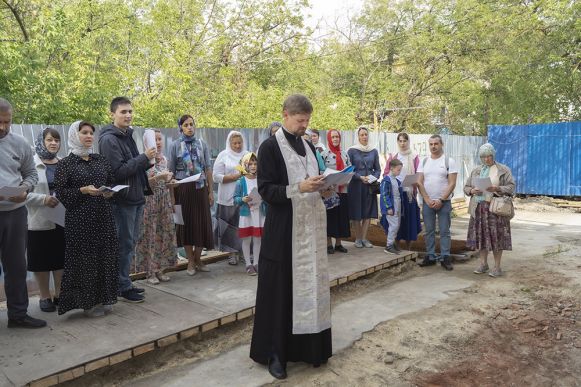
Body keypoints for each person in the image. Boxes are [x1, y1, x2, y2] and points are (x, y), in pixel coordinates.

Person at [250, 94, 331, 379]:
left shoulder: (309, 146)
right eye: (300, 121)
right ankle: (276, 354)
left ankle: (310, 349)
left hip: (310, 229)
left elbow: (314, 180)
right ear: (286, 115)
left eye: (307, 121)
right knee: (281, 291)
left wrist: (324, 186)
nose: (304, 126)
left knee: (310, 288)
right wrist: (300, 187)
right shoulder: (270, 147)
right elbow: (267, 191)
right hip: (284, 230)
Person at [55, 121, 119, 317]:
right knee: (85, 260)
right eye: (84, 132)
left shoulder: (100, 159)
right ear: (75, 135)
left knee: (104, 257)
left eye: (91, 132)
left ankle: (105, 298)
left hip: (103, 217)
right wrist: (83, 190)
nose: (89, 136)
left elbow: (111, 182)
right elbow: (61, 193)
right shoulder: (65, 163)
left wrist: (109, 193)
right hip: (80, 220)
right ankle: (87, 303)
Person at [99, 96, 155, 303]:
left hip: (136, 197)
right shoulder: (108, 139)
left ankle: (124, 282)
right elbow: (117, 172)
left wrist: (150, 161)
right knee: (123, 244)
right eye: (123, 112)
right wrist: (143, 158)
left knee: (129, 243)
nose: (128, 115)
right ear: (112, 114)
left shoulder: (126, 135)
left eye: (130, 111)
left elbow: (133, 167)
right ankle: (120, 286)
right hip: (122, 200)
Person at [0, 98, 45, 328]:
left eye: (7, 122)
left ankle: (18, 315)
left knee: (16, 267)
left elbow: (31, 174)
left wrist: (25, 188)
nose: (3, 127)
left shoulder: (20, 143)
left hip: (16, 213)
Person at [25, 128, 65, 312]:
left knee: (60, 258)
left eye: (57, 140)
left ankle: (59, 293)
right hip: (38, 220)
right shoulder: (30, 165)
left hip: (62, 219)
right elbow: (20, 194)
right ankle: (44, 296)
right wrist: (43, 199)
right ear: (41, 141)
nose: (54, 143)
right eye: (49, 139)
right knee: (40, 260)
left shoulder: (64, 163)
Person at [168, 114, 214, 276]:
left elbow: (208, 168)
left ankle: (198, 259)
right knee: (185, 224)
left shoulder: (202, 144)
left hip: (200, 188)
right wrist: (172, 196)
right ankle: (190, 262)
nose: (189, 127)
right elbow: (171, 172)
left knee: (202, 223)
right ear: (180, 127)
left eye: (191, 124)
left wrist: (210, 191)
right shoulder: (175, 145)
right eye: (186, 125)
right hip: (183, 189)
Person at [464, 143, 515, 277]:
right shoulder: (476, 170)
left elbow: (511, 186)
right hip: (479, 208)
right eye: (483, 157)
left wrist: (497, 188)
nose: (486, 159)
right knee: (481, 237)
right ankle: (483, 264)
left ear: (493, 155)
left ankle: (497, 267)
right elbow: (466, 187)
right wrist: (472, 190)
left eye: (489, 156)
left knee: (497, 237)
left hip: (496, 209)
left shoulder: (503, 169)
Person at [134, 130, 177, 284]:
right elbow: (144, 184)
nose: (158, 142)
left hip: (163, 200)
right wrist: (160, 177)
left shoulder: (164, 159)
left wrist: (170, 184)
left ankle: (160, 269)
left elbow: (165, 183)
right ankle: (149, 272)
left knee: (164, 234)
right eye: (155, 139)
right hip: (149, 201)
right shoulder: (143, 160)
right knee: (150, 235)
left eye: (160, 139)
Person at [417, 134, 458, 270]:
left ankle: (445, 257)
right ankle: (430, 256)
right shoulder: (424, 162)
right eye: (431, 144)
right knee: (429, 230)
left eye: (436, 144)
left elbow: (452, 183)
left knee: (444, 231)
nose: (433, 146)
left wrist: (441, 199)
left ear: (441, 145)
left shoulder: (448, 161)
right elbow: (419, 182)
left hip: (444, 203)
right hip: (428, 202)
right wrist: (427, 199)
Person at [213, 131, 247, 266]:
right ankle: (232, 254)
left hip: (244, 196)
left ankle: (243, 252)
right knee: (230, 226)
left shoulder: (247, 154)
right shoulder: (223, 155)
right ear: (229, 143)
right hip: (227, 196)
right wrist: (233, 177)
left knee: (243, 224)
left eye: (240, 143)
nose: (238, 146)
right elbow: (216, 176)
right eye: (235, 143)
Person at [382, 133, 422, 250]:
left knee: (409, 220)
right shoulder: (394, 156)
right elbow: (386, 172)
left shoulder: (414, 156)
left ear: (408, 141)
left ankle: (408, 248)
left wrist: (415, 181)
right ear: (397, 142)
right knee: (396, 221)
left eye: (405, 141)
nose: (402, 143)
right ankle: (395, 245)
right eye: (400, 141)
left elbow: (419, 173)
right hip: (395, 194)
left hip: (409, 193)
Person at [233, 152, 266, 276]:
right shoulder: (241, 181)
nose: (253, 166)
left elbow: (266, 195)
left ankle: (256, 263)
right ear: (244, 165)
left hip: (259, 213)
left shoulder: (261, 180)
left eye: (255, 163)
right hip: (247, 214)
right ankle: (248, 264)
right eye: (250, 163)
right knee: (247, 239)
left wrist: (264, 198)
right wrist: (243, 199)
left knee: (258, 239)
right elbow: (235, 199)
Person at [347, 126, 380, 248]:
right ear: (358, 136)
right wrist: (360, 177)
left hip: (369, 186)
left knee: (367, 213)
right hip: (356, 185)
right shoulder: (351, 151)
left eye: (366, 134)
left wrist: (371, 178)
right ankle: (358, 238)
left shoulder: (374, 151)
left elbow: (378, 169)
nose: (364, 137)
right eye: (362, 135)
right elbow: (349, 169)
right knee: (357, 212)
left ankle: (365, 238)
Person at [320, 129, 351, 254]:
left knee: (341, 217)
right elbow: (321, 172)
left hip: (343, 190)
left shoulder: (345, 154)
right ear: (329, 139)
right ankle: (328, 244)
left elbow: (349, 169)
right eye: (332, 137)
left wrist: (347, 177)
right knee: (330, 217)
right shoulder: (324, 155)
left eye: (337, 137)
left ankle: (339, 243)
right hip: (329, 191)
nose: (335, 139)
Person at [380, 158, 403, 254]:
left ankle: (392, 242)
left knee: (396, 225)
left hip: (397, 206)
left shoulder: (396, 180)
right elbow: (384, 195)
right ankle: (389, 245)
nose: (399, 172)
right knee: (394, 225)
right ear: (392, 168)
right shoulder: (386, 180)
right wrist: (388, 207)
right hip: (391, 207)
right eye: (398, 170)